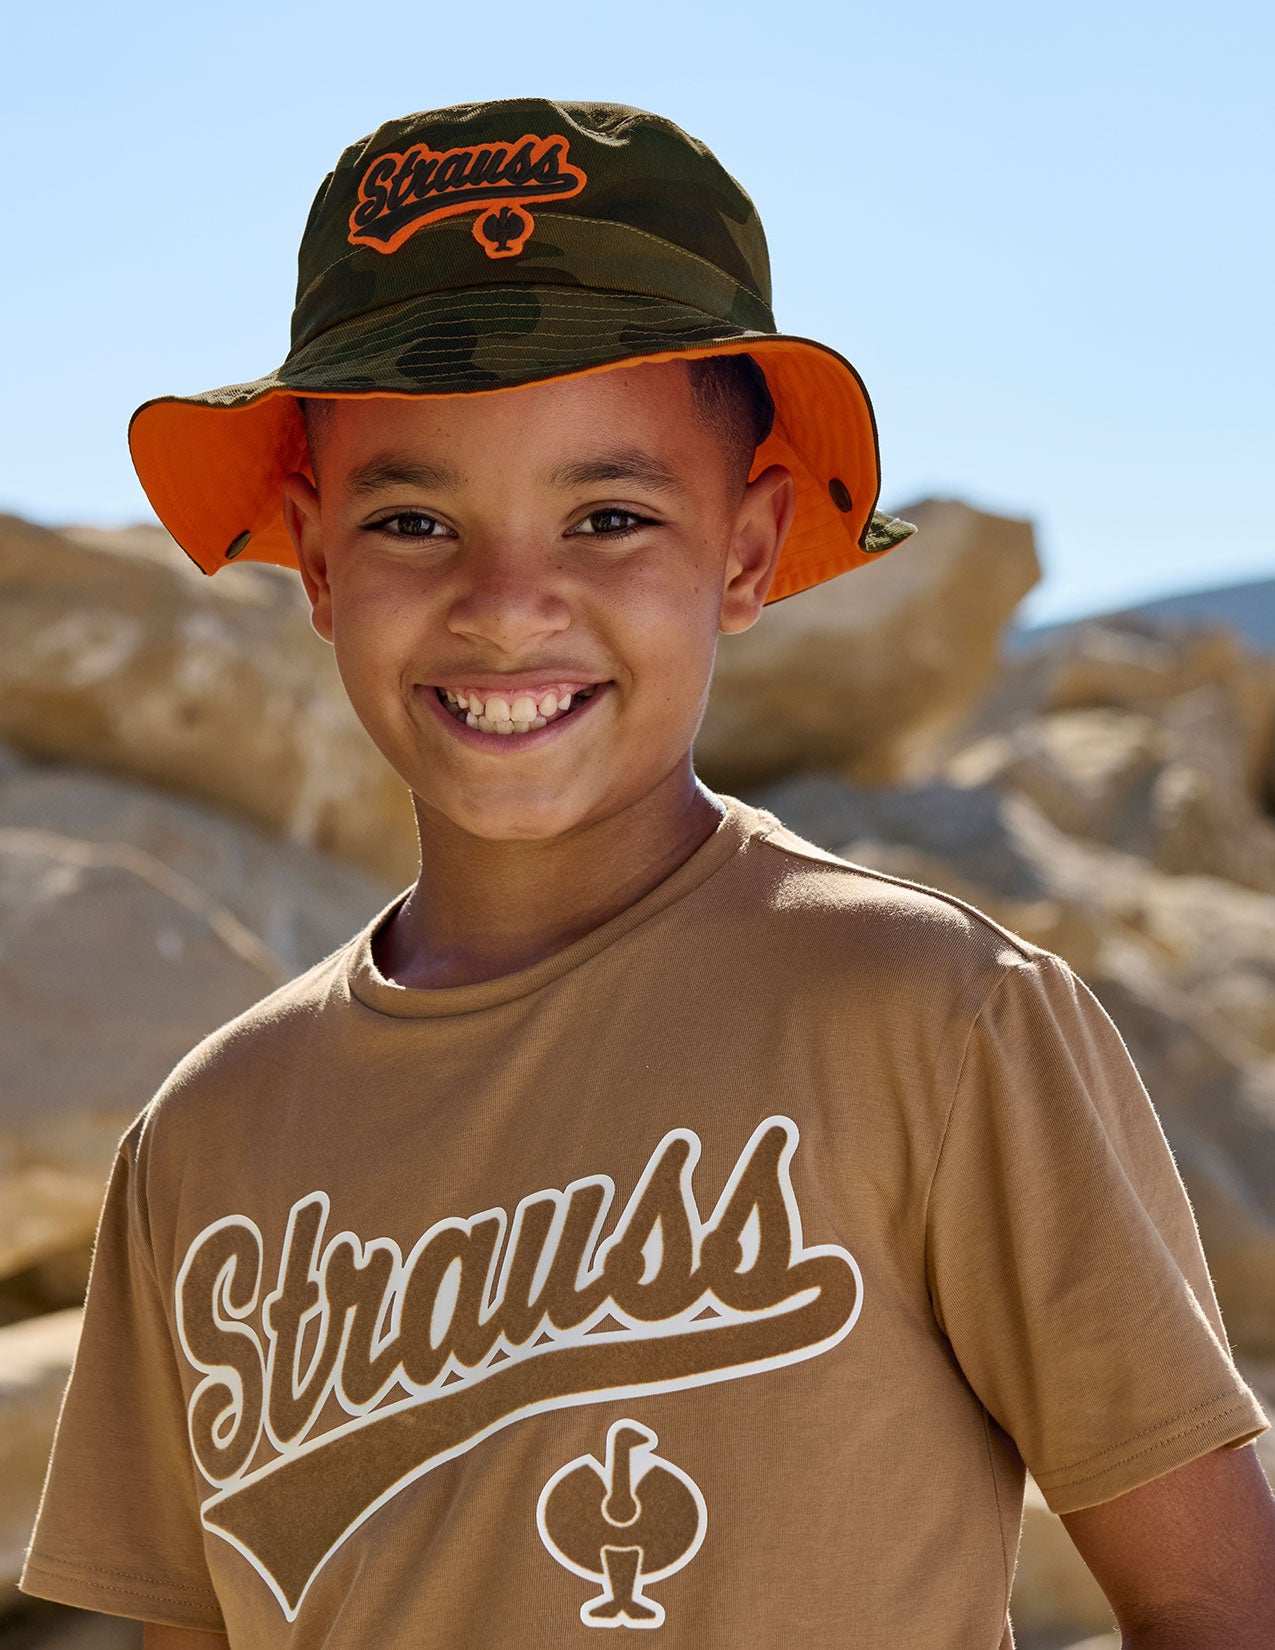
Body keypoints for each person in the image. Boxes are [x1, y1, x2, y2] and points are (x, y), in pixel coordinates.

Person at [19, 98, 1275, 1650]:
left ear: (746, 554)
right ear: (320, 560)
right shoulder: (202, 1139)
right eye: (415, 519)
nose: (506, 604)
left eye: (609, 516)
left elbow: (1222, 1602)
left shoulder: (938, 1022)